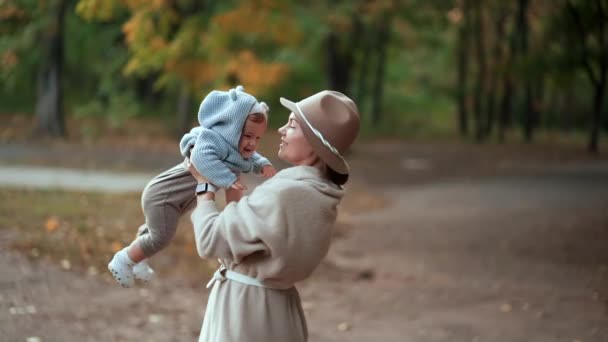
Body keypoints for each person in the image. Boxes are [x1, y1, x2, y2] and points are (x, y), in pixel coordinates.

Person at [186, 90, 360, 341]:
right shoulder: (320, 193)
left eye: (291, 125)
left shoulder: (284, 193)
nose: (280, 130)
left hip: (246, 314)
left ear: (313, 140)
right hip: (281, 310)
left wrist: (203, 186)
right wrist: (233, 184)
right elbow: (249, 236)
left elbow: (210, 240)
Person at [108, 85, 277, 288]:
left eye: (257, 138)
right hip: (163, 196)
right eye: (248, 136)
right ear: (230, 129)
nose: (253, 143)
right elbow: (200, 158)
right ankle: (124, 259)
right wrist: (227, 179)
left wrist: (262, 164)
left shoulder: (233, 150)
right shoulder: (210, 140)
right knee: (161, 237)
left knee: (157, 231)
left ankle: (140, 257)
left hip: (176, 201)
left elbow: (249, 157)